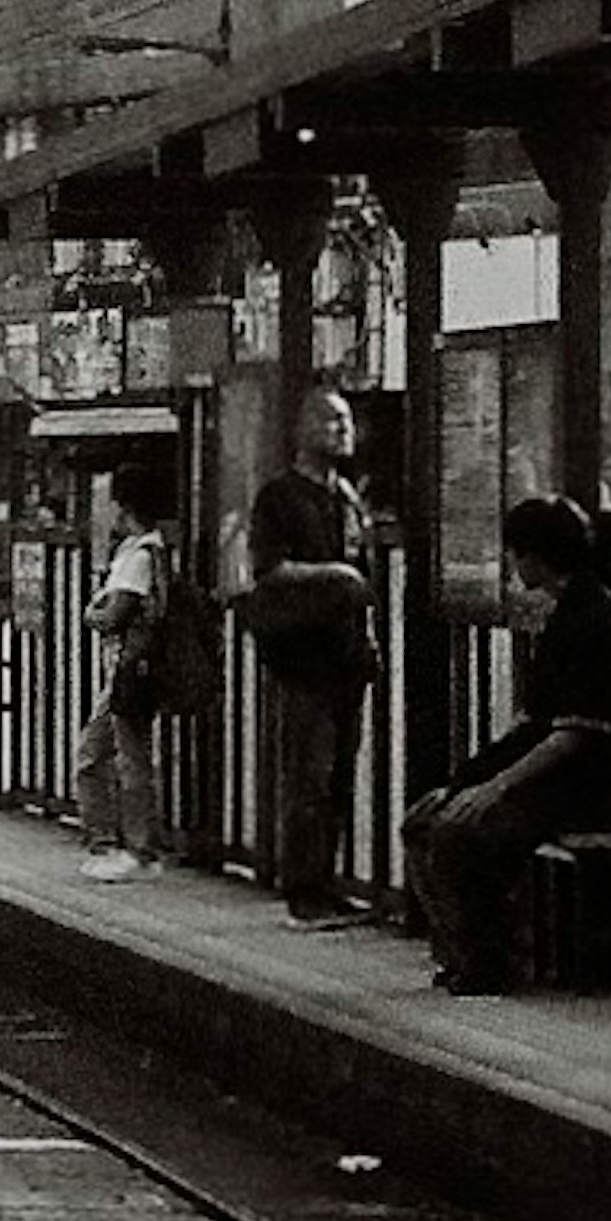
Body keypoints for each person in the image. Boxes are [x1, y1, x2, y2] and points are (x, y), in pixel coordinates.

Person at [400, 496, 611, 993]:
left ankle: (487, 961)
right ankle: (458, 953)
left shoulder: (596, 622)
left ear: (535, 556)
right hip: (557, 774)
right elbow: (538, 727)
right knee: (425, 821)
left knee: (455, 833)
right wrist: (463, 782)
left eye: (517, 553)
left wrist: (492, 790)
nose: (514, 564)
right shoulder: (570, 614)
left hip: (585, 782)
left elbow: (573, 735)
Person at [237, 380, 378, 924]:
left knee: (339, 777)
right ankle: (304, 889)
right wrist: (335, 576)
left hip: (346, 655)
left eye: (346, 422)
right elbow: (268, 570)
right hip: (303, 658)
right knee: (310, 777)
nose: (343, 431)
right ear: (302, 430)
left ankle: (326, 880)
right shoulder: (280, 496)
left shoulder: (347, 495)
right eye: (331, 421)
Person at [72, 445, 182, 874]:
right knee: (105, 753)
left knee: (116, 756)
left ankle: (131, 848)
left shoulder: (137, 557)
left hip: (127, 672)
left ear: (125, 506)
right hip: (130, 671)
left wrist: (91, 612)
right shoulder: (148, 551)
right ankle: (113, 843)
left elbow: (111, 614)